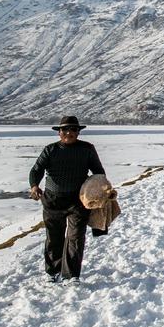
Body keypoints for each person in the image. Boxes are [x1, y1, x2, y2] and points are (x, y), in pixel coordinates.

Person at [29, 116, 105, 282]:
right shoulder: (50, 150)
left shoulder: (87, 149)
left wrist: (100, 192)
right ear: (59, 133)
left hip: (78, 200)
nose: (69, 133)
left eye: (73, 130)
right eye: (65, 130)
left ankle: (71, 275)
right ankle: (53, 272)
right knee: (54, 237)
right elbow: (36, 170)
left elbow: (99, 173)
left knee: (75, 237)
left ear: (78, 132)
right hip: (52, 200)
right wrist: (34, 186)